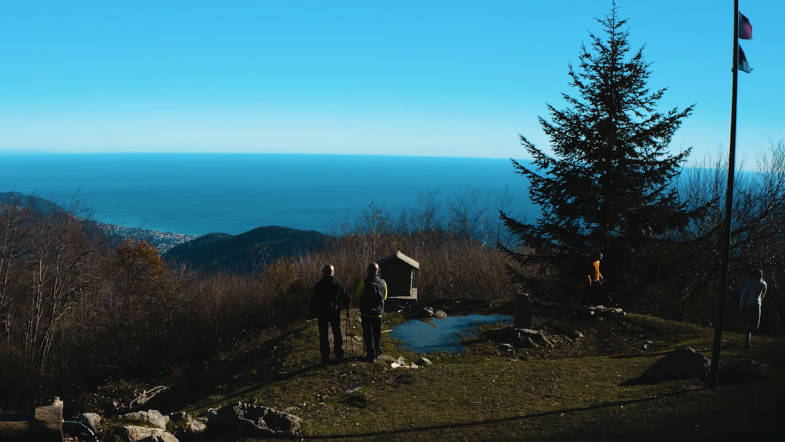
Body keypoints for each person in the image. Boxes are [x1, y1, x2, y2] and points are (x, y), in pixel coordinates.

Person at [310, 264, 349, 364]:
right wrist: (347, 305)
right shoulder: (338, 283)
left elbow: (314, 299)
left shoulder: (319, 284)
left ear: (323, 272)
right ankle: (339, 354)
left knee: (323, 335)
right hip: (334, 311)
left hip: (322, 312)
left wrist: (312, 311)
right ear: (333, 272)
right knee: (337, 332)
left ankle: (325, 356)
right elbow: (345, 296)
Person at [356, 262, 387, 362]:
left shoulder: (364, 282)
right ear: (377, 271)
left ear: (368, 270)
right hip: (378, 313)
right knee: (377, 333)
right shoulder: (383, 283)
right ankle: (377, 352)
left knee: (368, 333)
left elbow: (358, 295)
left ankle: (370, 353)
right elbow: (385, 297)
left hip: (366, 313)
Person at [739, 268, 767, 348]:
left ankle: (747, 336)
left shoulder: (763, 284)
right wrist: (742, 305)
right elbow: (744, 294)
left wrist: (759, 301)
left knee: (756, 325)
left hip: (757, 305)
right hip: (749, 305)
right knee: (749, 323)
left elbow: (763, 294)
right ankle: (747, 342)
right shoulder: (749, 283)